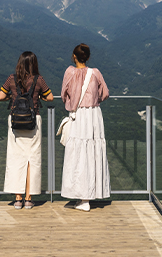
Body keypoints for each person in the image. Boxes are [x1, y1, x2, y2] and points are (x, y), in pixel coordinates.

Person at [0, 51, 53, 210]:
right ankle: (29, 198)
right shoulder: (38, 80)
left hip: (15, 123)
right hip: (32, 122)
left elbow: (0, 97)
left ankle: (17, 199)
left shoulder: (12, 78)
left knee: (16, 160)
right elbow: (49, 97)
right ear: (34, 64)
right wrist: (40, 97)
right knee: (32, 160)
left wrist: (11, 97)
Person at [60, 43, 110, 211]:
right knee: (92, 153)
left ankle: (83, 198)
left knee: (78, 154)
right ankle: (89, 195)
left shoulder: (69, 72)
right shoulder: (95, 73)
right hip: (94, 116)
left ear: (74, 56)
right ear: (88, 57)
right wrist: (94, 102)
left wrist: (73, 102)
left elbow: (63, 94)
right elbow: (105, 93)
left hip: (79, 115)